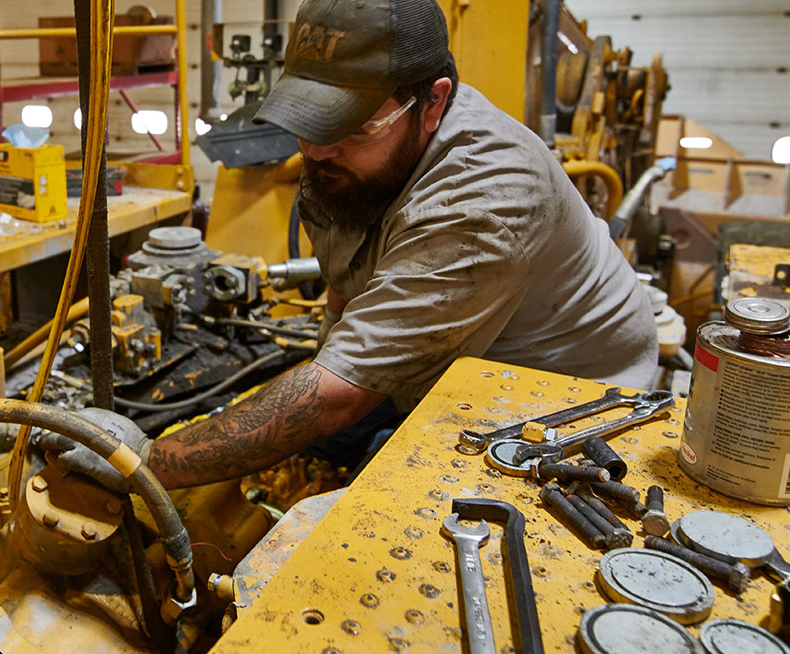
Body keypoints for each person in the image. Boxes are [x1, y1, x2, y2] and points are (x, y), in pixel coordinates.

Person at [38, 0, 658, 491]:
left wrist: (148, 459)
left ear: (433, 102)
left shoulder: (485, 201)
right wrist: (331, 363)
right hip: (444, 359)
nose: (314, 150)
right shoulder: (349, 158)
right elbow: (343, 284)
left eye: (347, 126)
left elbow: (338, 395)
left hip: (566, 396)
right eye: (308, 119)